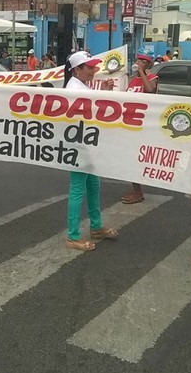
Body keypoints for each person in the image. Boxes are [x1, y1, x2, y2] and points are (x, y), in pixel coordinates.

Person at [63, 51, 118, 251]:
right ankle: (72, 236)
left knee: (93, 185)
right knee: (77, 189)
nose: (94, 71)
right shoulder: (74, 89)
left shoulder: (81, 86)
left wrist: (103, 91)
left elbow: (97, 109)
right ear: (77, 69)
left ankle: (96, 226)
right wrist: (104, 93)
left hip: (88, 143)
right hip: (78, 145)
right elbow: (95, 111)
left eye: (94, 67)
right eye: (89, 68)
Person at [121, 54, 159, 205]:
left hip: (143, 126)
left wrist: (142, 72)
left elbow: (150, 91)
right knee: (130, 159)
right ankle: (136, 189)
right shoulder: (132, 80)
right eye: (138, 60)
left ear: (148, 65)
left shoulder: (153, 77)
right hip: (130, 124)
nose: (139, 63)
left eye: (143, 62)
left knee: (135, 159)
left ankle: (138, 191)